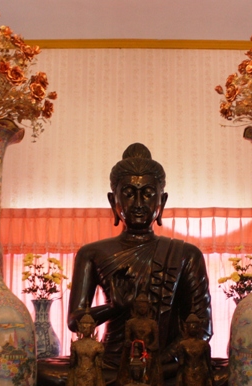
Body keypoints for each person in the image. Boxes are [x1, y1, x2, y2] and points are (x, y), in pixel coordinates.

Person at [67, 143, 212, 369]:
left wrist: (159, 364)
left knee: (223, 377)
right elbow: (75, 321)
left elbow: (201, 327)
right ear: (112, 201)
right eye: (128, 194)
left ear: (161, 202)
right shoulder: (91, 253)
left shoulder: (186, 254)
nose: (138, 204)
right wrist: (114, 307)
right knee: (49, 376)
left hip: (167, 367)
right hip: (112, 364)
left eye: (147, 194)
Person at [61, 313, 108, 386]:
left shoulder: (97, 345)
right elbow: (72, 363)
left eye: (88, 327)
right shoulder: (76, 345)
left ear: (93, 328)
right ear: (80, 328)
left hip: (91, 374)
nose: (86, 329)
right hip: (79, 373)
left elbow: (100, 364)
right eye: (84, 327)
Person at [171, 314, 219, 386]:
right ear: (186, 328)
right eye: (191, 326)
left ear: (199, 328)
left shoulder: (204, 344)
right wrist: (179, 356)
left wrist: (211, 376)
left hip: (201, 373)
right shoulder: (182, 344)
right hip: (187, 372)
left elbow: (207, 361)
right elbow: (180, 362)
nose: (193, 328)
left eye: (195, 326)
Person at [121, 293, 161, 386]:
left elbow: (156, 341)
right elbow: (127, 340)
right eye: (140, 306)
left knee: (149, 371)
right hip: (134, 353)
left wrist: (148, 348)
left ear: (148, 307)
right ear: (135, 307)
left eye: (144, 306)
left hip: (148, 354)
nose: (142, 309)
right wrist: (133, 345)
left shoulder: (152, 323)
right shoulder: (130, 323)